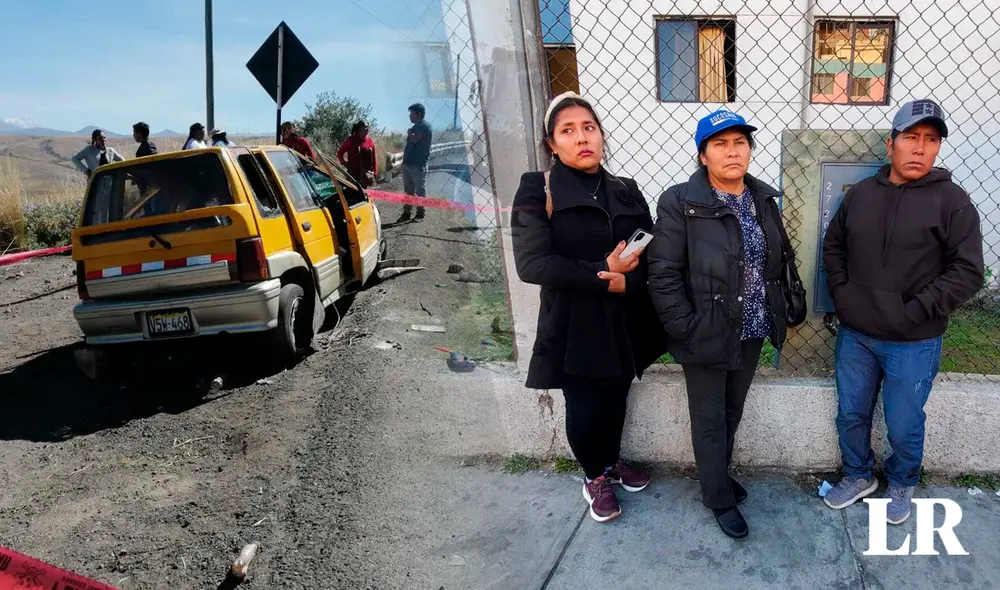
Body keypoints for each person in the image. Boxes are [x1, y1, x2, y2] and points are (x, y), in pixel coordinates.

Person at [821, 100, 984, 524]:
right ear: (891, 143)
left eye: (930, 140)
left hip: (914, 340)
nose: (920, 148)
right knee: (851, 413)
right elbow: (834, 246)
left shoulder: (952, 202)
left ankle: (902, 480)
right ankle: (858, 474)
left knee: (904, 422)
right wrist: (843, 293)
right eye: (911, 137)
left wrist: (916, 310)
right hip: (856, 335)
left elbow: (968, 271)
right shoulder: (862, 195)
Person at [510, 92, 666, 523]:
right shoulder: (537, 188)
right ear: (552, 143)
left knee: (617, 396)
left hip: (624, 316)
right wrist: (603, 271)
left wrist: (627, 281)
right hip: (575, 321)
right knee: (584, 404)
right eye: (568, 130)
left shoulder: (625, 189)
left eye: (589, 128)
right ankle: (593, 475)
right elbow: (531, 264)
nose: (582, 138)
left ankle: (611, 462)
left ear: (600, 136)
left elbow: (651, 253)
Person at [647, 110, 797, 539]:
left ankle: (717, 476)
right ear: (703, 155)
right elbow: (663, 273)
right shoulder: (680, 201)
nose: (732, 152)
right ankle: (717, 496)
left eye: (740, 142)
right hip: (705, 329)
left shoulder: (762, 199)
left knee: (732, 409)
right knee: (709, 417)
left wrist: (784, 302)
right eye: (720, 144)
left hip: (751, 325)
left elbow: (778, 258)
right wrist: (686, 328)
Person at [398, 103, 432, 221]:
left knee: (419, 190)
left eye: (411, 114)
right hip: (408, 163)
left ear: (418, 114)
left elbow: (414, 139)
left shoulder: (424, 126)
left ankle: (420, 213)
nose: (410, 116)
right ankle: (407, 213)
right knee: (408, 190)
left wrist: (409, 133)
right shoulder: (415, 127)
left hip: (418, 164)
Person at [337, 120, 378, 188]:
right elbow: (340, 153)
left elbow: (374, 157)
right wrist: (344, 163)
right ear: (359, 128)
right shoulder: (350, 140)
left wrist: (375, 172)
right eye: (365, 127)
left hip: (365, 176)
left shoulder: (369, 141)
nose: (367, 129)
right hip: (352, 175)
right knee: (351, 193)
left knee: (364, 193)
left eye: (368, 127)